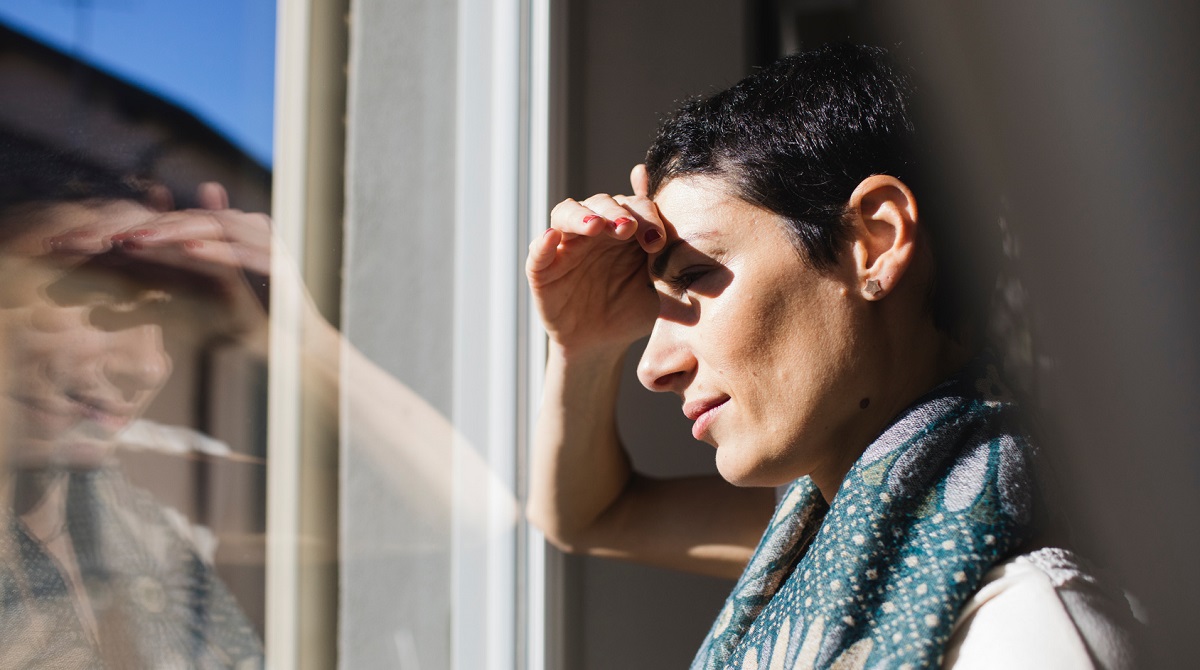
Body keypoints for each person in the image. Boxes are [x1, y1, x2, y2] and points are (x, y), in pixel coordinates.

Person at [525, 43, 1140, 669]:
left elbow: (590, 516)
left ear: (875, 240)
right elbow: (584, 515)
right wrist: (585, 343)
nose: (653, 367)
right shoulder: (838, 532)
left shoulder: (1029, 632)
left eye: (696, 276)